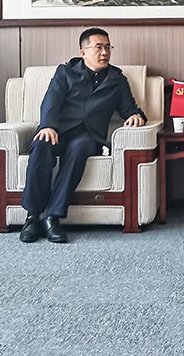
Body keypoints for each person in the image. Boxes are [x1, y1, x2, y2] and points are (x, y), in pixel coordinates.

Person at [20, 27, 147, 244]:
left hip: (88, 136)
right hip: (58, 131)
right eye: (99, 47)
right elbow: (51, 100)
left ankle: (52, 218)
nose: (105, 52)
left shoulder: (117, 79)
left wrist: (137, 116)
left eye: (108, 47)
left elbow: (130, 109)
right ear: (83, 52)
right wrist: (47, 126)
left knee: (79, 148)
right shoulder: (65, 72)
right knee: (41, 145)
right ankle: (32, 217)